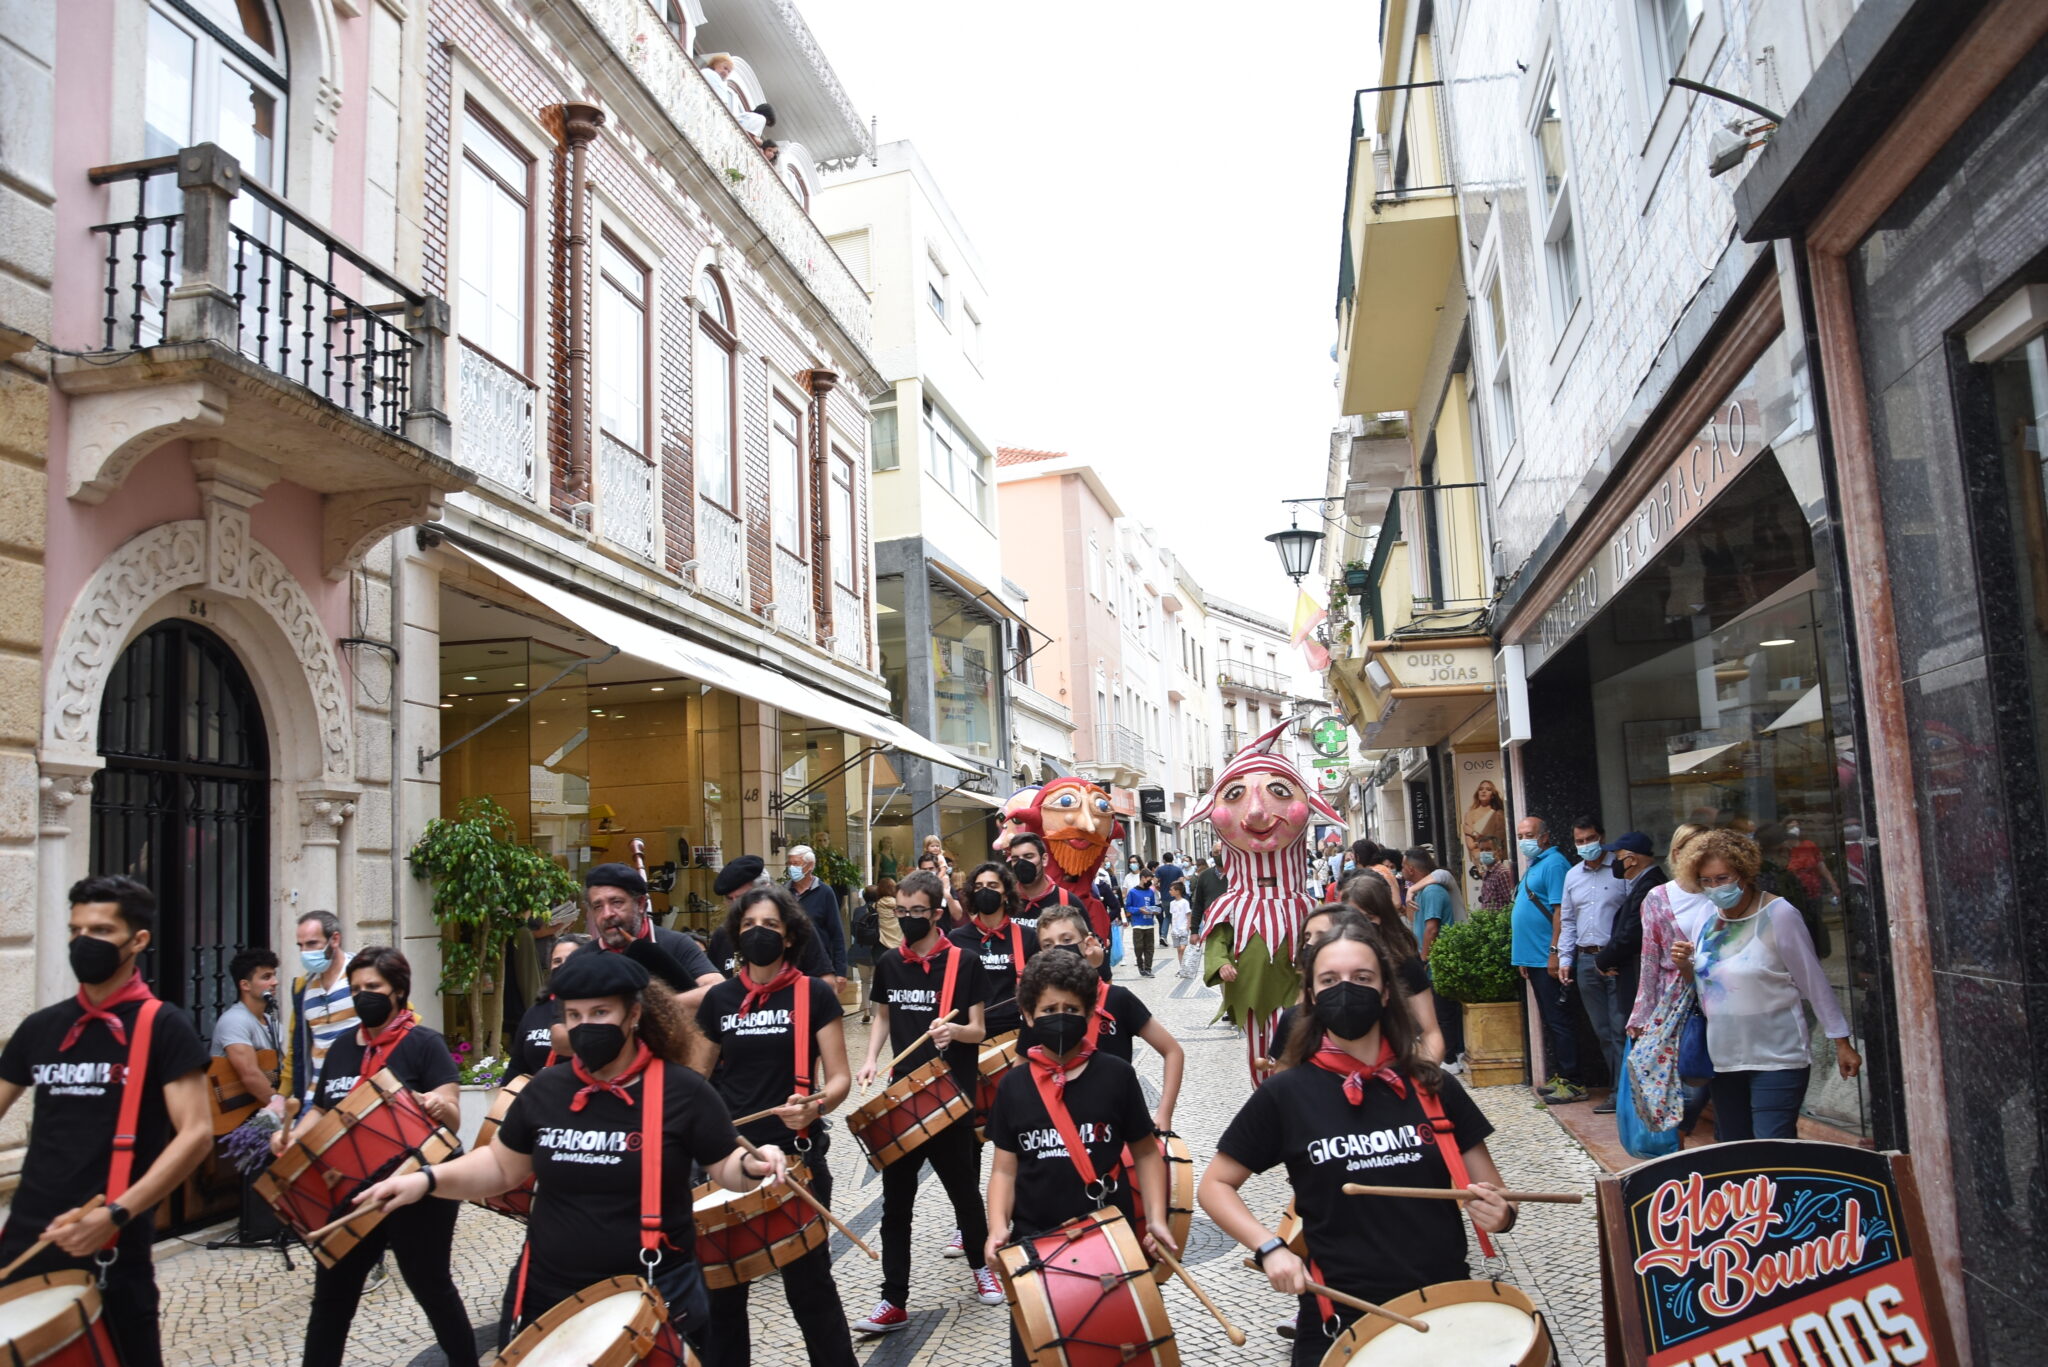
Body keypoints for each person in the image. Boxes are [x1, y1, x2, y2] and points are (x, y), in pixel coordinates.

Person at [359, 949, 784, 1357]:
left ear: (634, 1014)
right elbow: (500, 1165)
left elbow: (726, 1165)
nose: (586, 1026)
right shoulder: (545, 1089)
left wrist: (755, 1164)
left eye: (601, 1013)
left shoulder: (682, 1091)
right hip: (548, 1295)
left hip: (653, 1297)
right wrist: (425, 1180)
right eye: (574, 1015)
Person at [1199, 923, 1517, 1366]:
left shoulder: (1434, 1086)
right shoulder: (1285, 1093)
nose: (1345, 990)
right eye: (1329, 980)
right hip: (1339, 1314)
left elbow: (1498, 1200)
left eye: (1362, 978)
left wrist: (1499, 1214)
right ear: (1309, 994)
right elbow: (1214, 1185)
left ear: (1386, 992)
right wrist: (1269, 1247)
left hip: (1447, 1306)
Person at [0, 876, 212, 1367]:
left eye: (99, 930)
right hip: (27, 1243)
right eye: (75, 930)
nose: (82, 943)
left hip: (111, 1248)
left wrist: (115, 1214)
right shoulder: (42, 1027)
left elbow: (197, 1134)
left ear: (138, 940)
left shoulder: (162, 1026)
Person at [274, 946, 471, 1367]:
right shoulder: (343, 1048)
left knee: (430, 1286)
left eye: (374, 987)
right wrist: (294, 1143)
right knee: (331, 1297)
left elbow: (452, 1114)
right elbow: (325, 1113)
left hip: (417, 1191)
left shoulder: (424, 1044)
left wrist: (437, 1105)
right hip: (352, 1191)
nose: (364, 995)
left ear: (398, 991)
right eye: (356, 987)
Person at [984, 948, 1176, 1367]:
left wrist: (1157, 1219)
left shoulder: (1115, 1075)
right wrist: (998, 1227)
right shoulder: (1014, 1086)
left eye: (1071, 1008)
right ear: (1029, 1016)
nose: (1060, 1016)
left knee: (1116, 1350)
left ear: (1090, 1012)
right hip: (1034, 1239)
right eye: (1049, 1008)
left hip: (1111, 1237)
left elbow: (1145, 1152)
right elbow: (1003, 1168)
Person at [692, 887, 859, 1367]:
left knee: (811, 1289)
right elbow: (695, 1081)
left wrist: (815, 1105)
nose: (757, 933)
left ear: (788, 936)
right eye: (747, 926)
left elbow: (841, 1077)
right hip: (731, 1165)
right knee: (724, 1298)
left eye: (768, 925)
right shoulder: (719, 999)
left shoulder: (814, 994)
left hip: (799, 1163)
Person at [853, 870, 1003, 1331]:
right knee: (896, 1204)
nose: (907, 920)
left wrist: (953, 1031)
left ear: (938, 914)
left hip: (951, 1095)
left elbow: (977, 1030)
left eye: (916, 912)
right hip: (905, 1096)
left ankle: (982, 1269)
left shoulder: (965, 962)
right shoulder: (890, 963)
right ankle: (892, 1299)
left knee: (963, 1195)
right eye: (901, 912)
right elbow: (882, 1015)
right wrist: (871, 1058)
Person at [1669, 830, 1861, 1141]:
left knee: (1773, 1147)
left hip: (1778, 1055)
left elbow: (1812, 979)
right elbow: (1704, 986)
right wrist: (1685, 966)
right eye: (1706, 881)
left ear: (1743, 873)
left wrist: (1840, 1040)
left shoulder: (1779, 914)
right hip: (1723, 1057)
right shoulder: (1706, 914)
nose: (1715, 887)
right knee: (1734, 1149)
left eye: (1722, 878)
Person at [1035, 905, 1185, 1130]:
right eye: (1048, 945)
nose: (1057, 949)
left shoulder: (1118, 1000)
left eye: (1066, 940)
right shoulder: (1040, 1007)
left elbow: (1172, 1051)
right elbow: (1023, 1071)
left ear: (1086, 944)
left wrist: (1165, 1114)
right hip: (1058, 1123)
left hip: (1117, 1121)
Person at [1625, 823, 1713, 1135]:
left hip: (1720, 997)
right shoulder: (1658, 898)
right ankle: (1679, 1141)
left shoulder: (1720, 891)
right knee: (1689, 1080)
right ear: (1677, 853)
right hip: (1674, 1002)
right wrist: (1642, 1013)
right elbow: (1649, 959)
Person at [1553, 816, 1627, 1105]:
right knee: (1603, 1031)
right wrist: (1564, 959)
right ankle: (1617, 1087)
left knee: (1620, 1028)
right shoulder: (1572, 876)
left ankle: (1622, 1095)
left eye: (1590, 839)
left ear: (1602, 836)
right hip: (1586, 960)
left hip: (1618, 959)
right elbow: (1568, 921)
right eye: (1580, 841)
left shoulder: (1621, 871)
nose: (1585, 845)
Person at [585, 862, 724, 1011]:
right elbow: (559, 1028)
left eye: (616, 902)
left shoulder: (676, 943)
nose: (607, 914)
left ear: (641, 905)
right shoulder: (583, 958)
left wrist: (653, 1011)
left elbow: (717, 989)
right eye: (598, 906)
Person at [1595, 832, 1666, 1114]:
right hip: (1630, 970)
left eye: (1617, 857)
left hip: (1640, 974)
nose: (1613, 863)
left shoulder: (1650, 886)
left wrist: (1604, 958)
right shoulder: (1640, 884)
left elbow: (1633, 934)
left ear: (1632, 859)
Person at [1335, 881, 1445, 1063]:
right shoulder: (1329, 966)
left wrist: (1422, 1081)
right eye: (1354, 918)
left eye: (1369, 917)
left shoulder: (1405, 966)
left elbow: (1431, 1032)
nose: (1362, 925)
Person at [1509, 818, 1576, 1100]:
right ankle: (1562, 1074)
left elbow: (1562, 910)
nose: (1525, 840)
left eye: (1530, 835)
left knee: (1560, 1020)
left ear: (1545, 836)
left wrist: (1554, 951)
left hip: (1547, 957)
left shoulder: (1555, 863)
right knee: (1551, 1019)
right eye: (1521, 835)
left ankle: (1573, 1081)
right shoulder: (1536, 864)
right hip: (1532, 958)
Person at [953, 860, 1041, 1037]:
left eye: (992, 885)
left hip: (1014, 1032)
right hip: (967, 1031)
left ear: (1006, 894)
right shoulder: (956, 939)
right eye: (979, 886)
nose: (985, 891)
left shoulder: (1027, 937)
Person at [706, 855, 832, 978]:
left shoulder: (795, 929)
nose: (736, 906)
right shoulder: (722, 935)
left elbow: (825, 980)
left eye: (741, 898)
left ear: (765, 891)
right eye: (729, 899)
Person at [281, 910, 354, 1108]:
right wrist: (281, 1095)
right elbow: (295, 1045)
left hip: (357, 1093)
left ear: (335, 939)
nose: (305, 952)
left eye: (312, 944)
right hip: (315, 1097)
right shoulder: (303, 988)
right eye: (301, 946)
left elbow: (404, 1021)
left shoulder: (362, 974)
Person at [504, 933, 591, 1081]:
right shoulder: (535, 1011)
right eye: (557, 961)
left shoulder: (595, 1010)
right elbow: (517, 1066)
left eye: (571, 959)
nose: (563, 966)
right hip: (539, 1098)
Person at [212, 947, 282, 1110]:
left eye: (274, 975)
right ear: (245, 985)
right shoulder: (235, 1020)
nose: (275, 982)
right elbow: (249, 1074)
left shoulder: (274, 1024)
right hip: (231, 1111)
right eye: (266, 977)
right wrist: (280, 1108)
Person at [785, 845, 850, 990]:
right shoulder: (783, 893)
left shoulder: (825, 892)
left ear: (810, 865)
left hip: (820, 967)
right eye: (789, 863)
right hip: (791, 968)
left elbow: (836, 933)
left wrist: (840, 971)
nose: (791, 868)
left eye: (795, 864)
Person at [1462, 779, 1507, 867]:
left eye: (1488, 789)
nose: (1483, 791)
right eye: (1481, 789)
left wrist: (1475, 834)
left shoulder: (1498, 814)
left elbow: (1497, 841)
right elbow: (1471, 845)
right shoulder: (1470, 814)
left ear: (1493, 795)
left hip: (1495, 859)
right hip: (1477, 860)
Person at [1124, 872, 1159, 977]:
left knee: (1149, 947)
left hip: (1149, 923)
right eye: (1149, 879)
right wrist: (1139, 910)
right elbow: (1128, 907)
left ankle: (1148, 968)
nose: (1150, 882)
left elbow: (1153, 906)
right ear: (1143, 878)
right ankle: (1140, 964)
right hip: (1138, 924)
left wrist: (1154, 911)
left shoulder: (1150, 892)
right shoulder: (1133, 892)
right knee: (1138, 946)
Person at [1474, 839, 1515, 911]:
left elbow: (1511, 901)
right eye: (1482, 850)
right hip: (1489, 920)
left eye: (1488, 849)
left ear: (1498, 852)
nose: (1484, 853)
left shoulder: (1502, 873)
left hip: (1499, 920)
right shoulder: (1487, 873)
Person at [1167, 880, 1195, 977]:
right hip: (1175, 930)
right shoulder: (1172, 903)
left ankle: (1185, 966)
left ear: (1178, 891)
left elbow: (1188, 914)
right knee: (1179, 950)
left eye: (1171, 890)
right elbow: (1172, 916)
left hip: (1183, 929)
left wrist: (1188, 927)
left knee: (1183, 948)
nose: (1170, 891)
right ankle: (1181, 968)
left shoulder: (1185, 902)